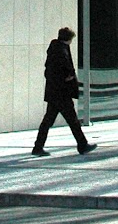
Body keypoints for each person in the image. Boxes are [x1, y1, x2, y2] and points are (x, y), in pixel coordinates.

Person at [31, 27, 97, 156]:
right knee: (72, 120)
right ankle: (82, 145)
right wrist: (68, 77)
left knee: (48, 121)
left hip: (54, 92)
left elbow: (49, 71)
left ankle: (38, 147)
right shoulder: (61, 51)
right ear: (68, 39)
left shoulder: (54, 50)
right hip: (62, 92)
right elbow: (65, 69)